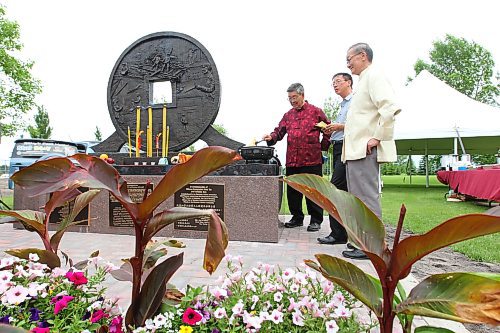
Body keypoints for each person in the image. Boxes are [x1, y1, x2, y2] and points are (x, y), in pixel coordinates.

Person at [341, 43, 401, 259]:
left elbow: (390, 107)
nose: (347, 63)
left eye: (350, 58)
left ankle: (373, 246)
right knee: (358, 198)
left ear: (363, 56)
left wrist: (377, 137)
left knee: (367, 197)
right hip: (355, 150)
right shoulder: (363, 80)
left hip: (365, 149)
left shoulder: (374, 76)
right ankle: (361, 242)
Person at [263, 83, 330, 232]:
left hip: (312, 159)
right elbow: (278, 132)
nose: (292, 101)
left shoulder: (316, 112)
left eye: (294, 97)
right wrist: (270, 137)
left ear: (302, 95)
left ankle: (315, 220)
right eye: (289, 98)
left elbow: (328, 129)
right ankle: (297, 218)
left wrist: (323, 146)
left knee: (313, 191)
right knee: (293, 191)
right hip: (293, 160)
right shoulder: (288, 115)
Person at [317, 73, 352, 245]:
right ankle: (340, 234)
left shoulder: (356, 101)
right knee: (341, 192)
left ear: (349, 82)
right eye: (333, 83)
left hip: (348, 147)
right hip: (338, 147)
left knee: (335, 189)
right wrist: (332, 129)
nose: (335, 85)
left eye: (338, 82)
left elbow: (360, 123)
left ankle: (338, 234)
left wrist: (339, 126)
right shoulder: (343, 105)